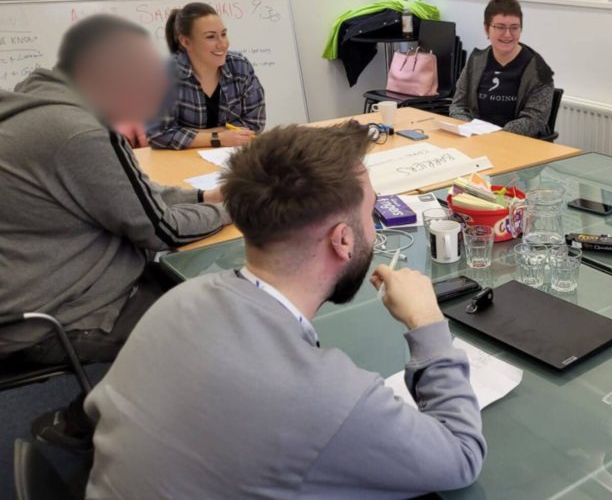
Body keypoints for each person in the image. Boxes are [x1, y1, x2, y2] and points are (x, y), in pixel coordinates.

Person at [85, 123, 486, 498]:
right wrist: (428, 322)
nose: (374, 228)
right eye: (371, 214)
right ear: (342, 240)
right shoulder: (329, 398)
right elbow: (462, 456)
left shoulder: (179, 300)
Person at [0, 15, 231, 447]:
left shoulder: (34, 101)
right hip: (54, 314)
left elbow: (128, 188)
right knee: (208, 318)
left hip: (27, 285)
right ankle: (103, 428)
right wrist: (231, 211)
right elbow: (162, 231)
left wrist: (202, 199)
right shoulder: (79, 133)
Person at [147, 2, 266, 149]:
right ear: (186, 41)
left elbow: (255, 122)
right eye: (211, 37)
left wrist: (194, 135)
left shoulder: (239, 65)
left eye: (223, 34)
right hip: (181, 163)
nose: (222, 44)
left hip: (233, 155)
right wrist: (219, 138)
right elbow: (158, 135)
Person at [450, 0, 555, 138]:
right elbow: (458, 106)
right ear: (487, 29)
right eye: (500, 27)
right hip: (475, 139)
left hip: (517, 144)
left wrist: (497, 136)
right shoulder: (475, 61)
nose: (507, 35)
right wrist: (469, 128)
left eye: (514, 28)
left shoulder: (539, 70)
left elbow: (534, 120)